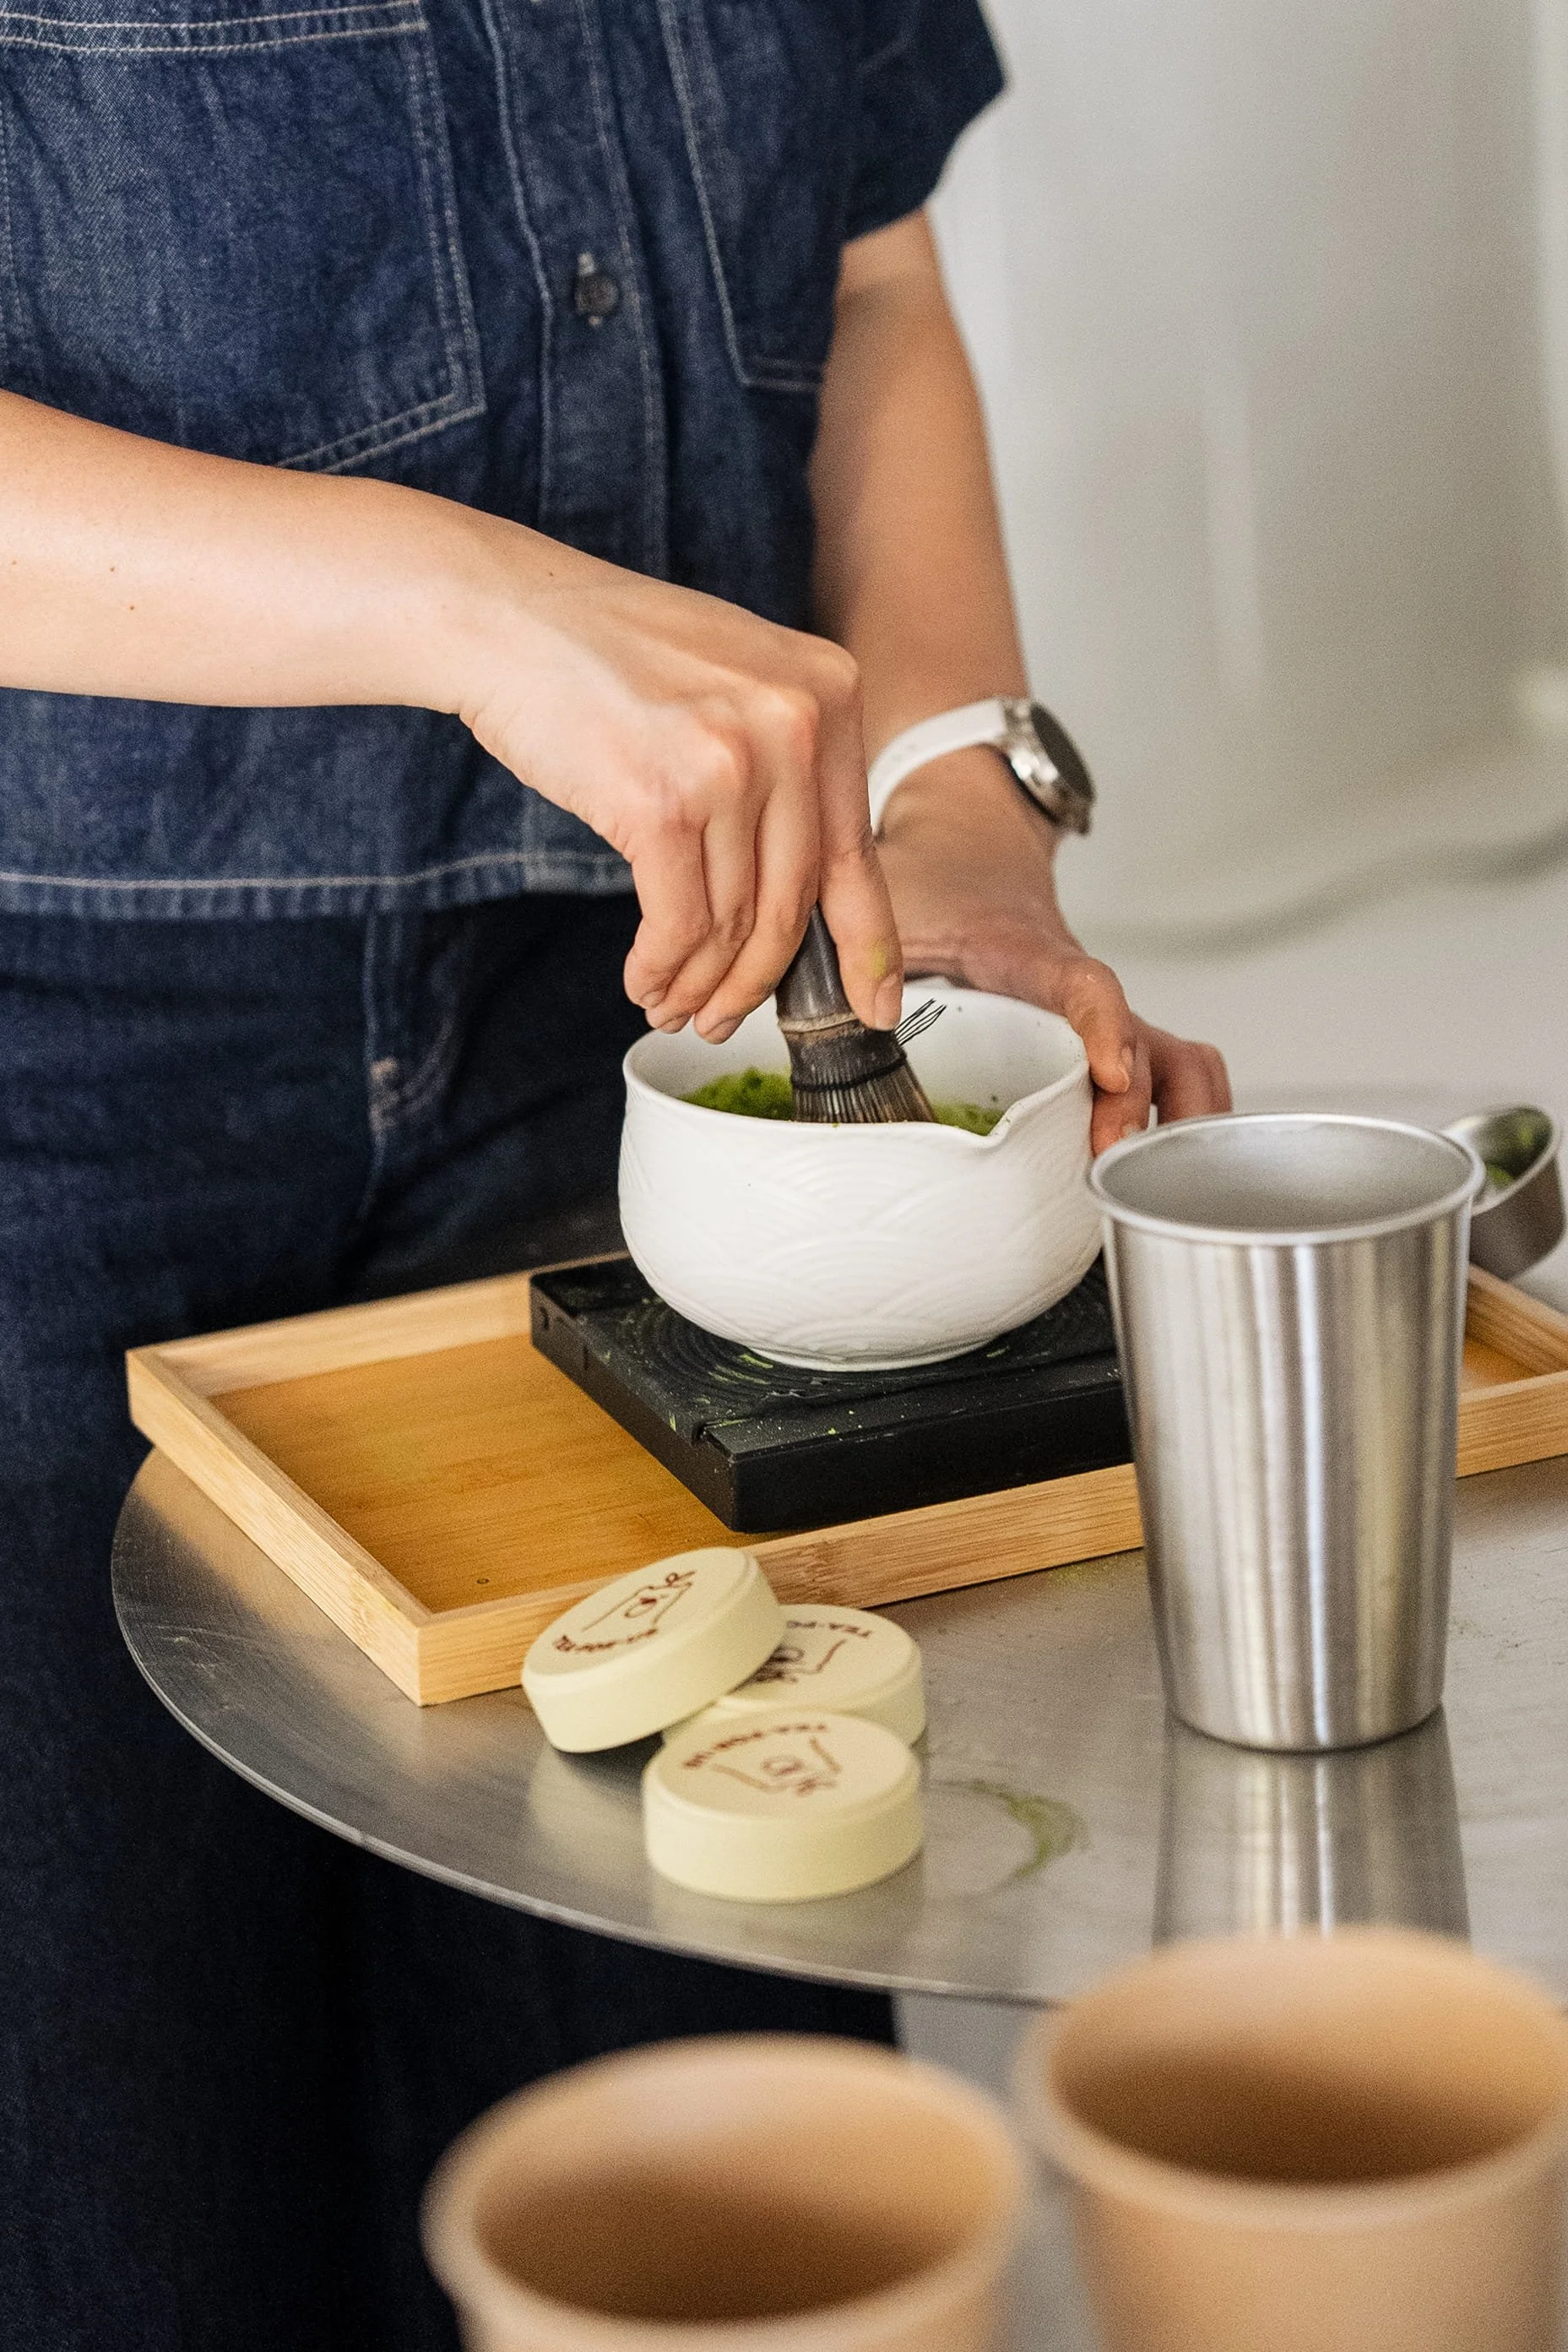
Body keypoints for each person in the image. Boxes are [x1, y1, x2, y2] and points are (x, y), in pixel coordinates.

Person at [0, 0, 1229, 2343]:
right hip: (48, 1071)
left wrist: (958, 814)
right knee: (121, 2192)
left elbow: (870, 281)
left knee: (723, 2168)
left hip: (636, 1027)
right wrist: (457, 597)